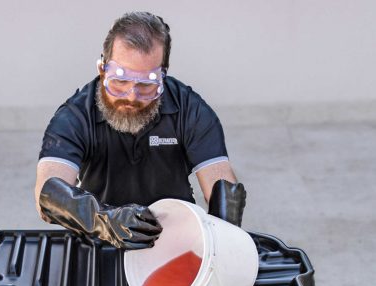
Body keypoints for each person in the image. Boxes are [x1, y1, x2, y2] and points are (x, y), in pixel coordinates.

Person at [35, 11, 246, 251]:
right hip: (100, 238)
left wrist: (222, 243)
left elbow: (222, 185)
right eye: (120, 81)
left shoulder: (190, 109)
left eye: (146, 85)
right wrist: (105, 221)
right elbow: (48, 194)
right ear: (102, 69)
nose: (131, 96)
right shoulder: (75, 116)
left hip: (177, 237)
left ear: (162, 77)